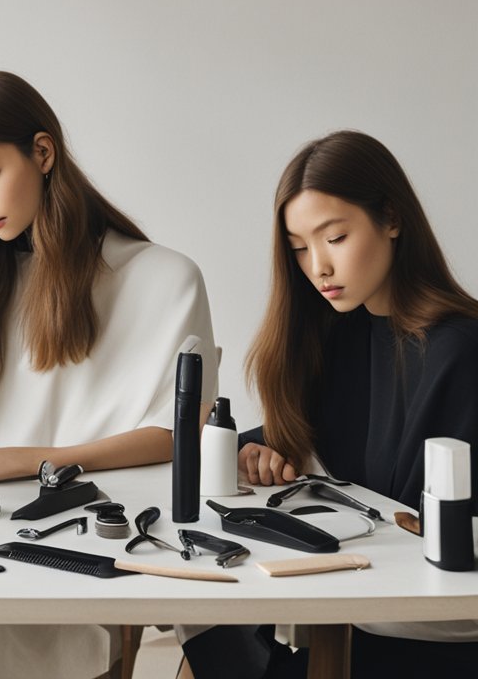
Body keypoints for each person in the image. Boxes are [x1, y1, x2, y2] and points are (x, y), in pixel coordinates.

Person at [0, 70, 218, 679]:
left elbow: (174, 433)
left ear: (43, 152)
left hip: (81, 554)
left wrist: (23, 461)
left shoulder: (161, 278)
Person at [181, 130, 478, 677]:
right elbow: (301, 435)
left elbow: (415, 529)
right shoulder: (343, 332)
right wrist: (261, 450)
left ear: (391, 219)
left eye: (334, 237)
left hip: (421, 641)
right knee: (194, 621)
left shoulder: (457, 350)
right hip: (352, 618)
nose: (317, 266)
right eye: (299, 248)